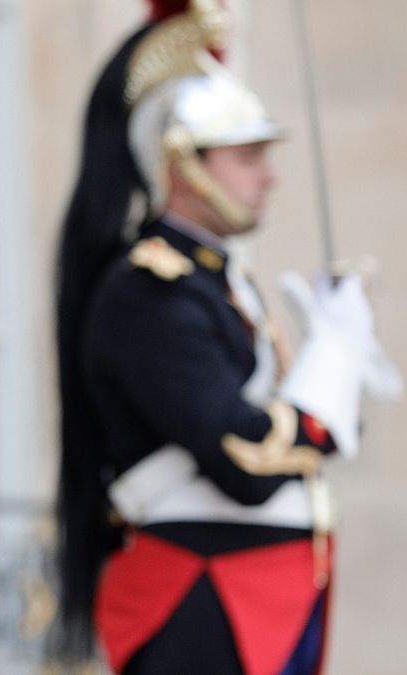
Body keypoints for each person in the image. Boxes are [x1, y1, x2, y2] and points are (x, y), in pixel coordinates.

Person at [52, 0, 401, 672]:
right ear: (182, 164)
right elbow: (244, 462)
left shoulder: (215, 282)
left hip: (264, 589)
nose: (267, 175)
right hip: (203, 594)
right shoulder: (148, 291)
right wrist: (328, 367)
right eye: (247, 155)